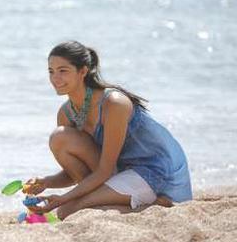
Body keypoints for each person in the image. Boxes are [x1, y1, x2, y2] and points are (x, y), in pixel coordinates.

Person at [25, 40, 192, 220]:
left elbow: (104, 169)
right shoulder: (66, 113)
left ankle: (157, 205)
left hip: (154, 171)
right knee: (59, 137)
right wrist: (45, 182)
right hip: (119, 171)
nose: (55, 78)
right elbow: (76, 173)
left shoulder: (114, 103)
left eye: (63, 71)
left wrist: (63, 199)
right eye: (51, 71)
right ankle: (108, 201)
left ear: (83, 71)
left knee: (66, 211)